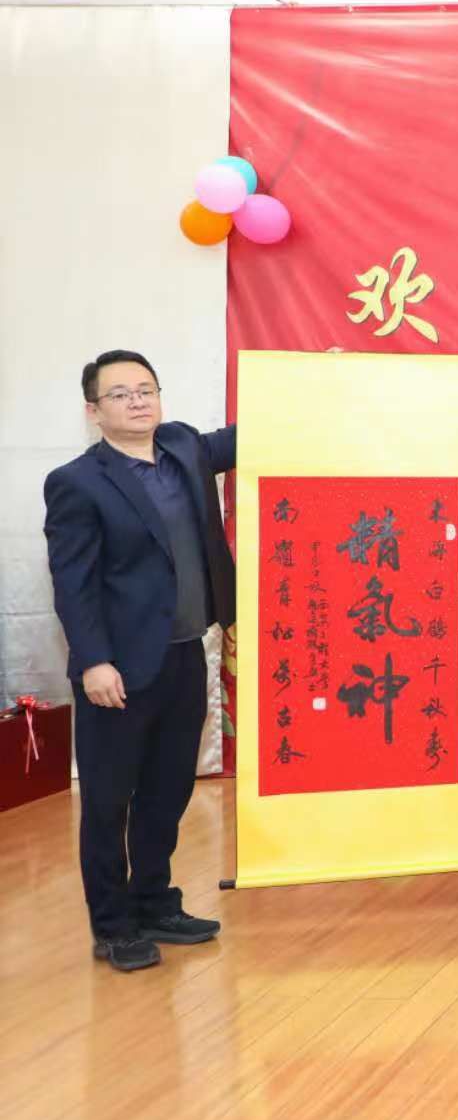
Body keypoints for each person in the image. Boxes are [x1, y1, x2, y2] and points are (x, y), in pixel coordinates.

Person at [43, 351, 235, 972]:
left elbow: (250, 434)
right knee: (108, 801)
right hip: (118, 670)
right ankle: (113, 926)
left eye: (145, 389)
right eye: (120, 394)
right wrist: (94, 661)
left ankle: (154, 903)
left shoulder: (182, 448)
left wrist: (314, 378)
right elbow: (74, 584)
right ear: (93, 410)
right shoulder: (77, 482)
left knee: (167, 791)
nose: (137, 401)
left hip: (184, 655)